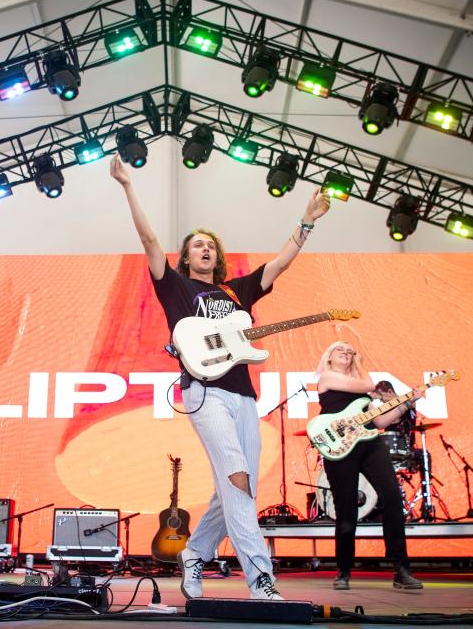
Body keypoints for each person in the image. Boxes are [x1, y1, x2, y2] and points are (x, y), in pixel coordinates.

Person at [111, 154, 331, 601]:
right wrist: (128, 187)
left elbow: (280, 264)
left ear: (219, 255)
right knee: (237, 478)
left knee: (237, 484)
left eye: (211, 245)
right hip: (203, 394)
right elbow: (150, 240)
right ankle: (260, 579)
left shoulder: (238, 292)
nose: (205, 249)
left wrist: (306, 222)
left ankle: (194, 553)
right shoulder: (175, 286)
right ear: (187, 255)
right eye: (197, 245)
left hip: (242, 397)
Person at [315, 340, 424, 590]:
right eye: (340, 350)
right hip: (341, 448)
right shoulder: (328, 377)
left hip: (369, 443)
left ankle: (401, 569)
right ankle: (343, 571)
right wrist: (360, 363)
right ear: (329, 358)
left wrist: (407, 403)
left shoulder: (363, 395)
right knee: (346, 508)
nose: (346, 353)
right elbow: (366, 383)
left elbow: (380, 420)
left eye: (350, 351)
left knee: (393, 498)